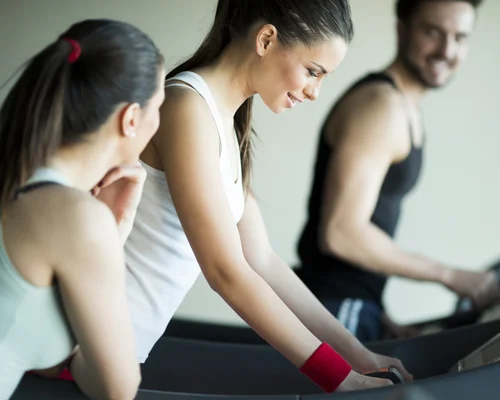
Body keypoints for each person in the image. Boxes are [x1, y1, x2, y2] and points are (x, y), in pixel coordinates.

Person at [123, 0, 412, 393]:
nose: (314, 92)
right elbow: (226, 271)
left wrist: (360, 356)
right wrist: (338, 377)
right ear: (266, 39)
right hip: (82, 346)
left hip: (119, 351)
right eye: (313, 71)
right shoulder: (187, 106)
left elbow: (261, 261)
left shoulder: (229, 120)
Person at [295, 0, 500, 342]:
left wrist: (379, 312)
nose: (446, 50)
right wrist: (449, 275)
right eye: (433, 32)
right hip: (333, 304)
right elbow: (341, 234)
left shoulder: (405, 107)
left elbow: (370, 223)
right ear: (402, 30)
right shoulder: (382, 105)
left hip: (352, 302)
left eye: (460, 37)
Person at [0, 19, 165, 399]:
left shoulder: (22, 185)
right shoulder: (74, 218)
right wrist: (109, 235)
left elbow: (37, 353)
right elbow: (118, 390)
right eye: (160, 107)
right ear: (131, 119)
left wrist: (113, 232)